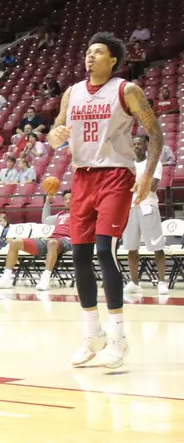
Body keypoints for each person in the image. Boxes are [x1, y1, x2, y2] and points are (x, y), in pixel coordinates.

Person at [47, 32, 164, 368]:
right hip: (82, 178)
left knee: (104, 250)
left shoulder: (126, 90)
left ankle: (119, 337)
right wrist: (55, 135)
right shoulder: (71, 93)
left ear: (113, 60)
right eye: (88, 51)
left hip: (116, 176)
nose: (90, 56)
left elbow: (154, 133)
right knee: (79, 255)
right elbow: (57, 131)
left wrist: (146, 174)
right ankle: (93, 333)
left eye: (98, 52)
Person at [0, 191, 72, 291]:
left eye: (71, 198)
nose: (68, 201)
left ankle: (45, 279)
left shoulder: (81, 212)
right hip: (52, 239)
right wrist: (47, 202)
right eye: (66, 199)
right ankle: (6, 278)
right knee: (15, 242)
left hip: (68, 240)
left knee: (52, 243)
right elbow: (45, 220)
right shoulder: (60, 214)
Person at [124, 135, 169, 295]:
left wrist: (136, 185)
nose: (136, 146)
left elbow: (152, 185)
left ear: (146, 146)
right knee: (131, 248)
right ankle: (134, 282)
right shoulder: (127, 165)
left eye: (139, 144)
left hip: (148, 206)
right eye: (134, 144)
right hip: (129, 208)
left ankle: (162, 281)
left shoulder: (154, 163)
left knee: (157, 247)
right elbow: (122, 187)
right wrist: (138, 185)